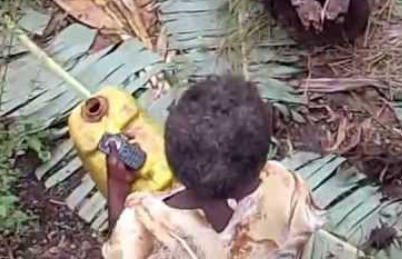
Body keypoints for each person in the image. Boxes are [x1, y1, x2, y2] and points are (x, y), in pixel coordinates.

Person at [104, 76, 323, 258]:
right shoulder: (287, 187)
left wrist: (116, 187)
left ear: (170, 159)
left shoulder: (143, 222)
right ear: (261, 157)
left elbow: (121, 251)